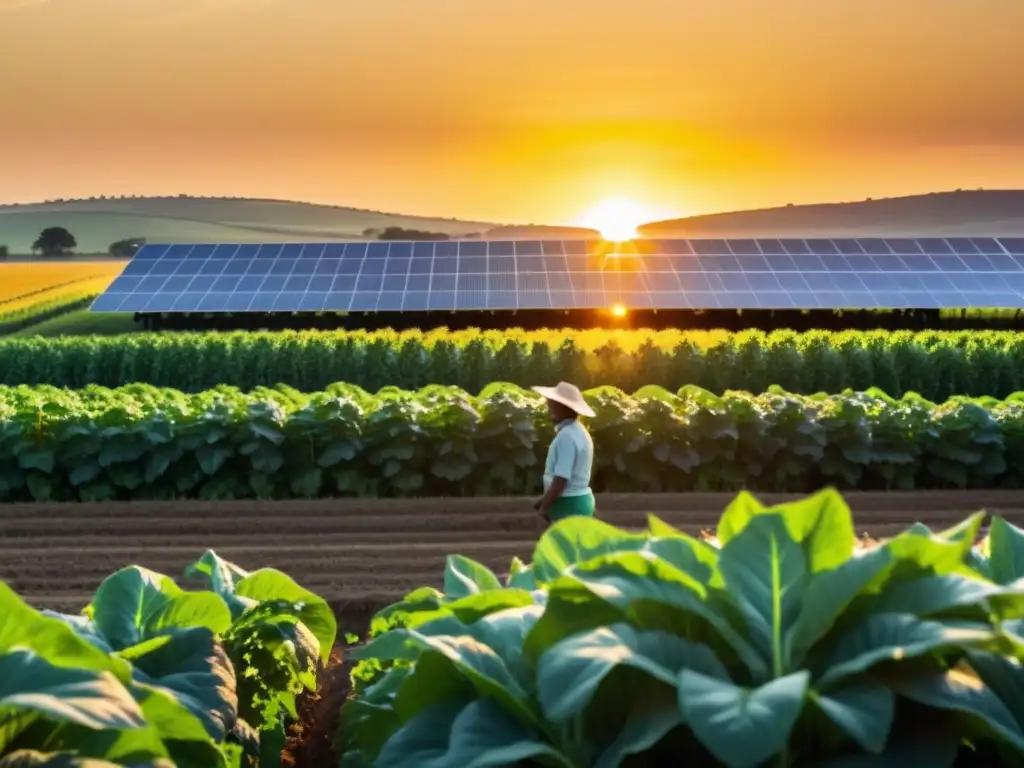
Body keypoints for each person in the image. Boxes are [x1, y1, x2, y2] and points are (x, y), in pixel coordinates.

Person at [529, 381, 596, 525]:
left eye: (551, 404)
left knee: (564, 547)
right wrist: (543, 501)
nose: (548, 408)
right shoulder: (580, 432)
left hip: (568, 505)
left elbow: (561, 479)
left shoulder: (566, 437)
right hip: (578, 501)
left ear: (559, 407)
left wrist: (544, 507)